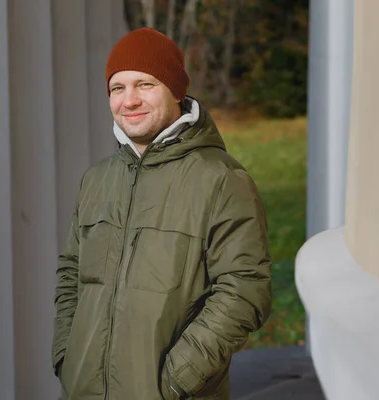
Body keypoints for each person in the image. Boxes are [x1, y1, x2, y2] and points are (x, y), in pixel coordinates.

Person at [52, 27, 272, 400]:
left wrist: (175, 380)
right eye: (118, 88)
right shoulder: (97, 180)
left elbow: (245, 288)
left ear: (176, 91)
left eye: (146, 84)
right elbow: (72, 273)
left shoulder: (221, 179)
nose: (130, 100)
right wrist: (66, 357)